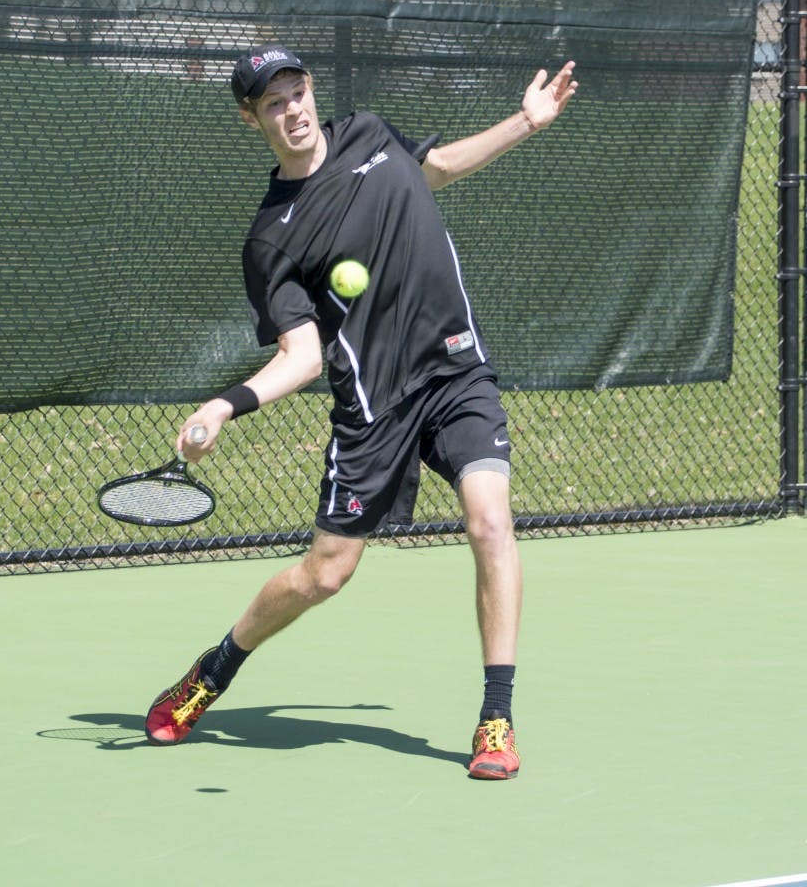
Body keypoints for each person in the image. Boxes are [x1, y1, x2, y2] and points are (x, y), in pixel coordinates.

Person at [144, 42, 577, 780]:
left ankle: (495, 718)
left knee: (491, 521)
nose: (293, 110)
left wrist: (525, 123)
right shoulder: (270, 240)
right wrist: (225, 403)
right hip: (374, 407)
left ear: (312, 91)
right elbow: (304, 356)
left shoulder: (371, 135)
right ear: (252, 120)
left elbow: (436, 168)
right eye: (273, 103)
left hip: (455, 369)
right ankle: (215, 668)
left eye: (297, 92)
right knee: (324, 576)